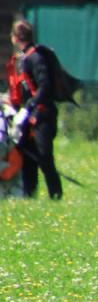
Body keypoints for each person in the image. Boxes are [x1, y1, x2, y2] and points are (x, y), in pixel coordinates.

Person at [7, 19, 63, 199]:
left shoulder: (36, 58)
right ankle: (29, 195)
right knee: (27, 157)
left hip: (43, 115)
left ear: (16, 38)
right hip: (27, 117)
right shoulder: (21, 58)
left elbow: (45, 87)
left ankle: (55, 195)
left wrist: (28, 107)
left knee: (44, 157)